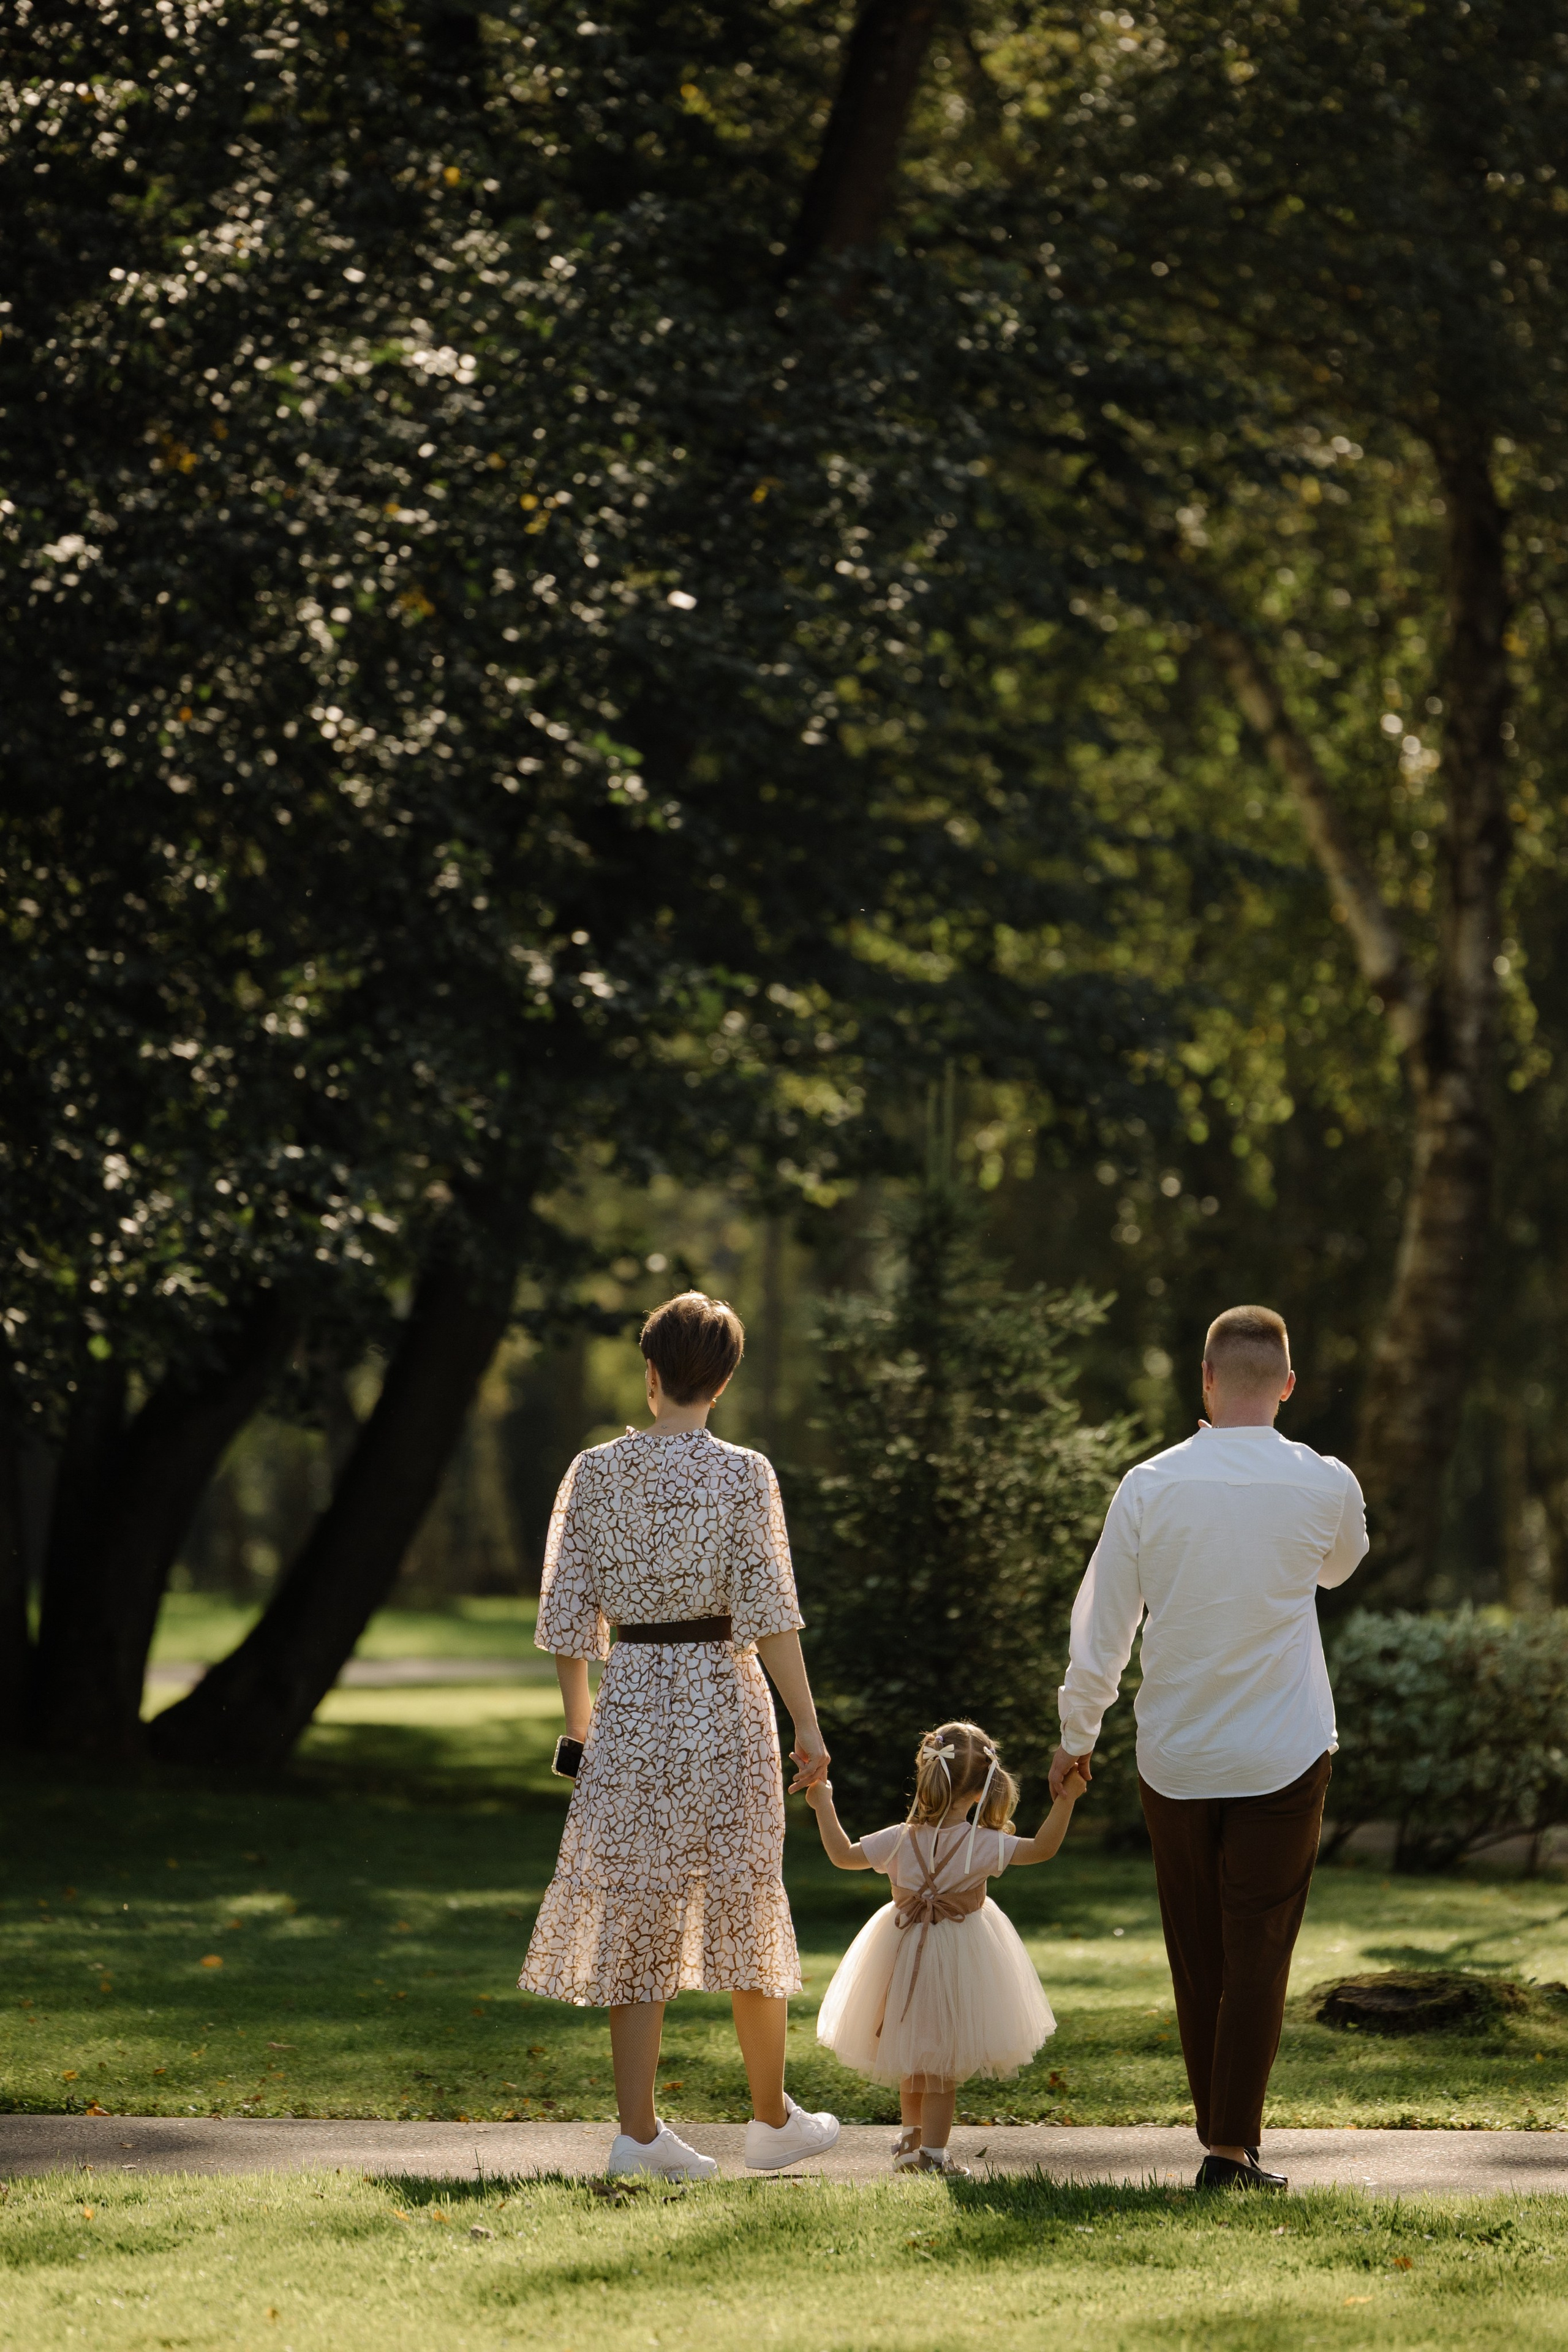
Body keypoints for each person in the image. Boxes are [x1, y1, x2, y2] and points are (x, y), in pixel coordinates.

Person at [519, 1289, 840, 2180]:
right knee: (745, 1894)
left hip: (633, 1710)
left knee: (639, 1913)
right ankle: (771, 2119)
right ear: (724, 1381)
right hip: (724, 1705)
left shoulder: (592, 1472)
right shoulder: (746, 1473)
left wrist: (581, 1728)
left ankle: (640, 2134)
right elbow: (772, 1614)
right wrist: (807, 1727)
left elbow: (567, 1617)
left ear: (651, 1373)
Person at [1050, 1304, 1368, 2191]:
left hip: (1178, 1754)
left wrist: (1077, 1737)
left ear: (1206, 1379)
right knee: (1260, 1948)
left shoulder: (1148, 1485)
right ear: (1289, 1387)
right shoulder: (1327, 1483)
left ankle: (1223, 2140)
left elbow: (1102, 1629)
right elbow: (1339, 1567)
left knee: (1199, 1952)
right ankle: (1229, 2149)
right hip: (1285, 1748)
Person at [806, 1719, 1085, 2174]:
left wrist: (823, 1802)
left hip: (900, 1953)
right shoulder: (983, 1844)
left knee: (911, 2053)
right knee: (941, 2065)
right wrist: (1067, 1800)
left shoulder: (898, 1839)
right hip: (960, 1959)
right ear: (983, 1790)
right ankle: (934, 2156)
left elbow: (841, 1855)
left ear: (927, 1777)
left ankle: (910, 2144)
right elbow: (1043, 1849)